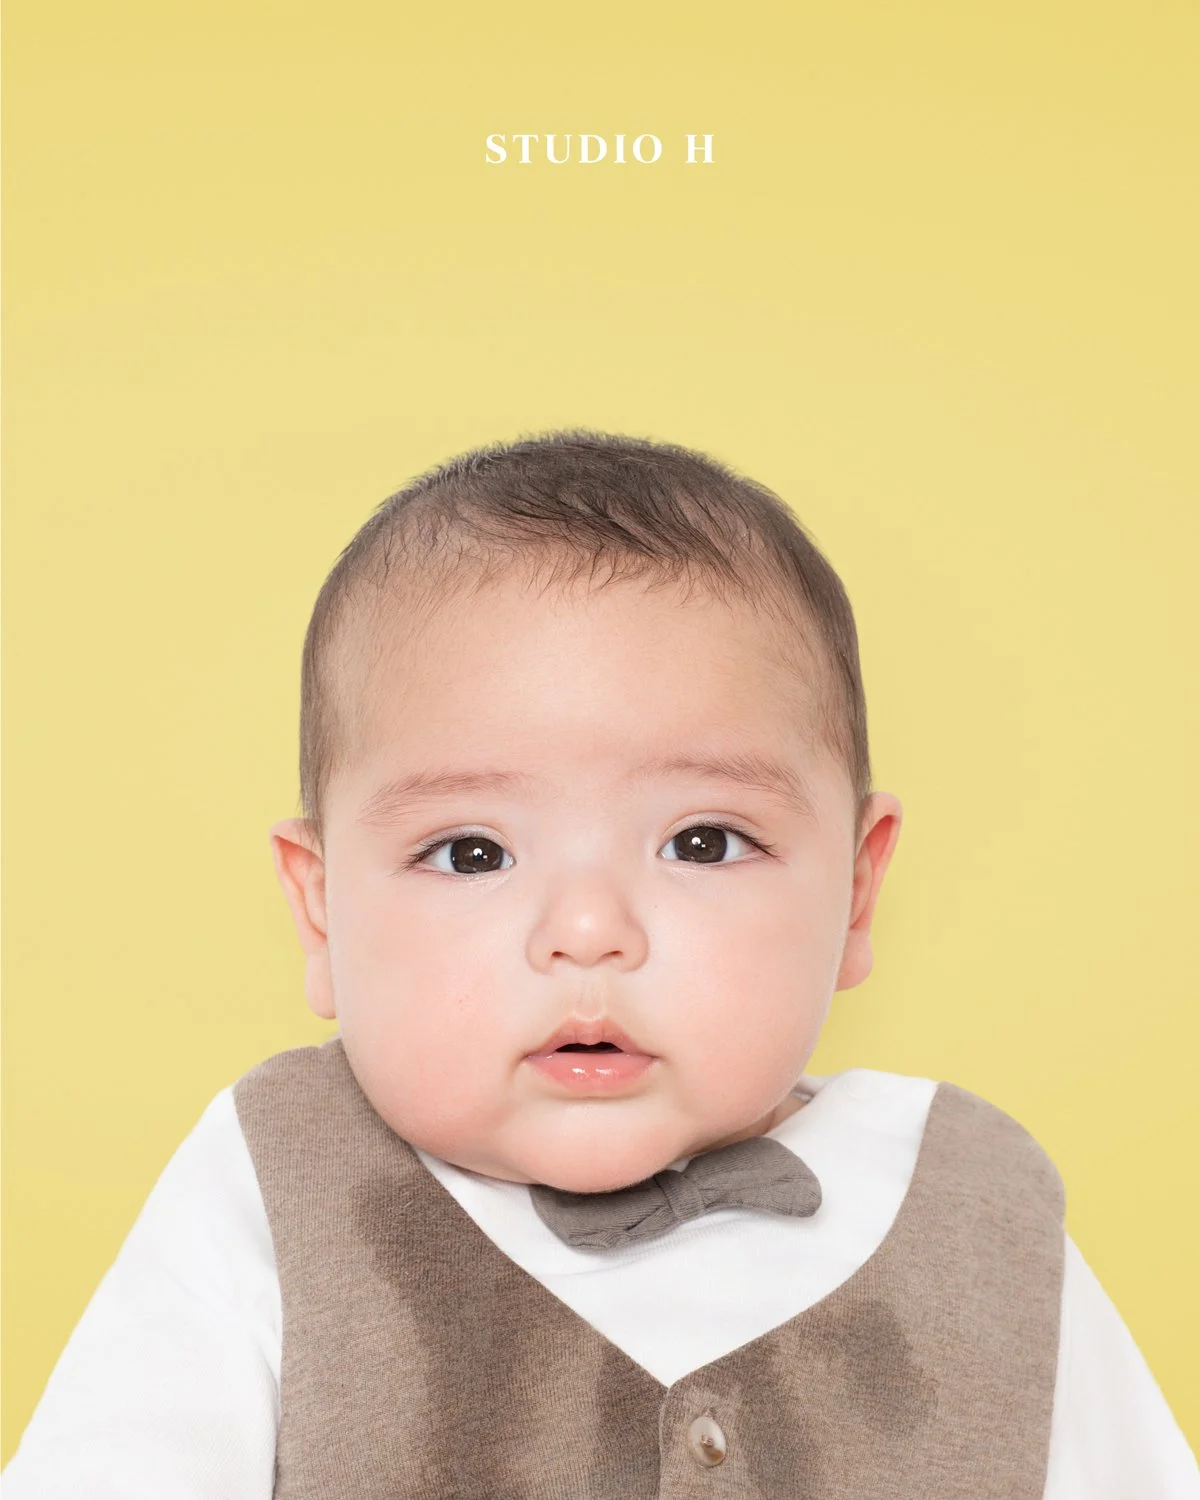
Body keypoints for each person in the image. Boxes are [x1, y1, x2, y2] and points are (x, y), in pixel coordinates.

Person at [5, 431, 1196, 1497]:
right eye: (471, 853)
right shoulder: (273, 1181)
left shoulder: (982, 1210)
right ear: (322, 914)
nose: (587, 929)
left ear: (855, 889)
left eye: (703, 842)